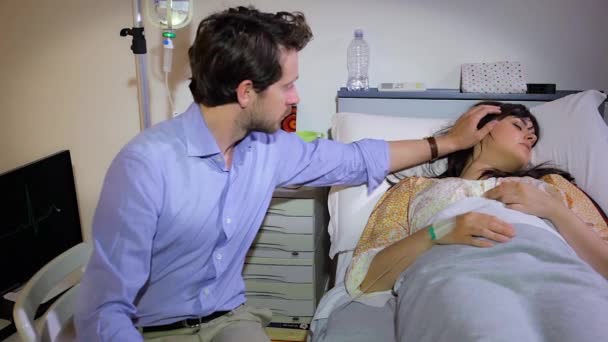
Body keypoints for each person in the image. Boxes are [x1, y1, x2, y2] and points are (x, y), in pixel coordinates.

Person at [74, 6, 500, 342]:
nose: (295, 98)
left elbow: (355, 159)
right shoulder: (146, 166)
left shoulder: (268, 149)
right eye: (286, 86)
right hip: (153, 331)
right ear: (246, 92)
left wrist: (448, 144)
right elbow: (102, 311)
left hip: (229, 322)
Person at [345, 102, 608, 341]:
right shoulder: (413, 189)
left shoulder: (552, 185)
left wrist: (554, 210)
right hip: (454, 274)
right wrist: (437, 233)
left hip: (554, 271)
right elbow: (367, 279)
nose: (531, 137)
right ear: (481, 128)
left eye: (533, 135)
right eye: (518, 126)